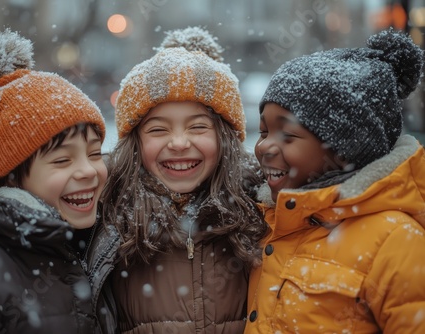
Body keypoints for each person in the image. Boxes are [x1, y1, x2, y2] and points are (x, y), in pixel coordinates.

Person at [0, 29, 118, 333]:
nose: (88, 171)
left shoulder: (104, 241)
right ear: (13, 178)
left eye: (94, 153)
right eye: (62, 160)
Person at [244, 28, 425, 333]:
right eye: (263, 132)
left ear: (343, 151)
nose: (264, 146)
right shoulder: (269, 223)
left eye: (288, 135)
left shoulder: (396, 240)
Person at [100, 26, 268, 333]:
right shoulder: (111, 222)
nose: (178, 143)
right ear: (134, 144)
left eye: (198, 127)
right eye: (158, 130)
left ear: (224, 138)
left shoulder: (258, 214)